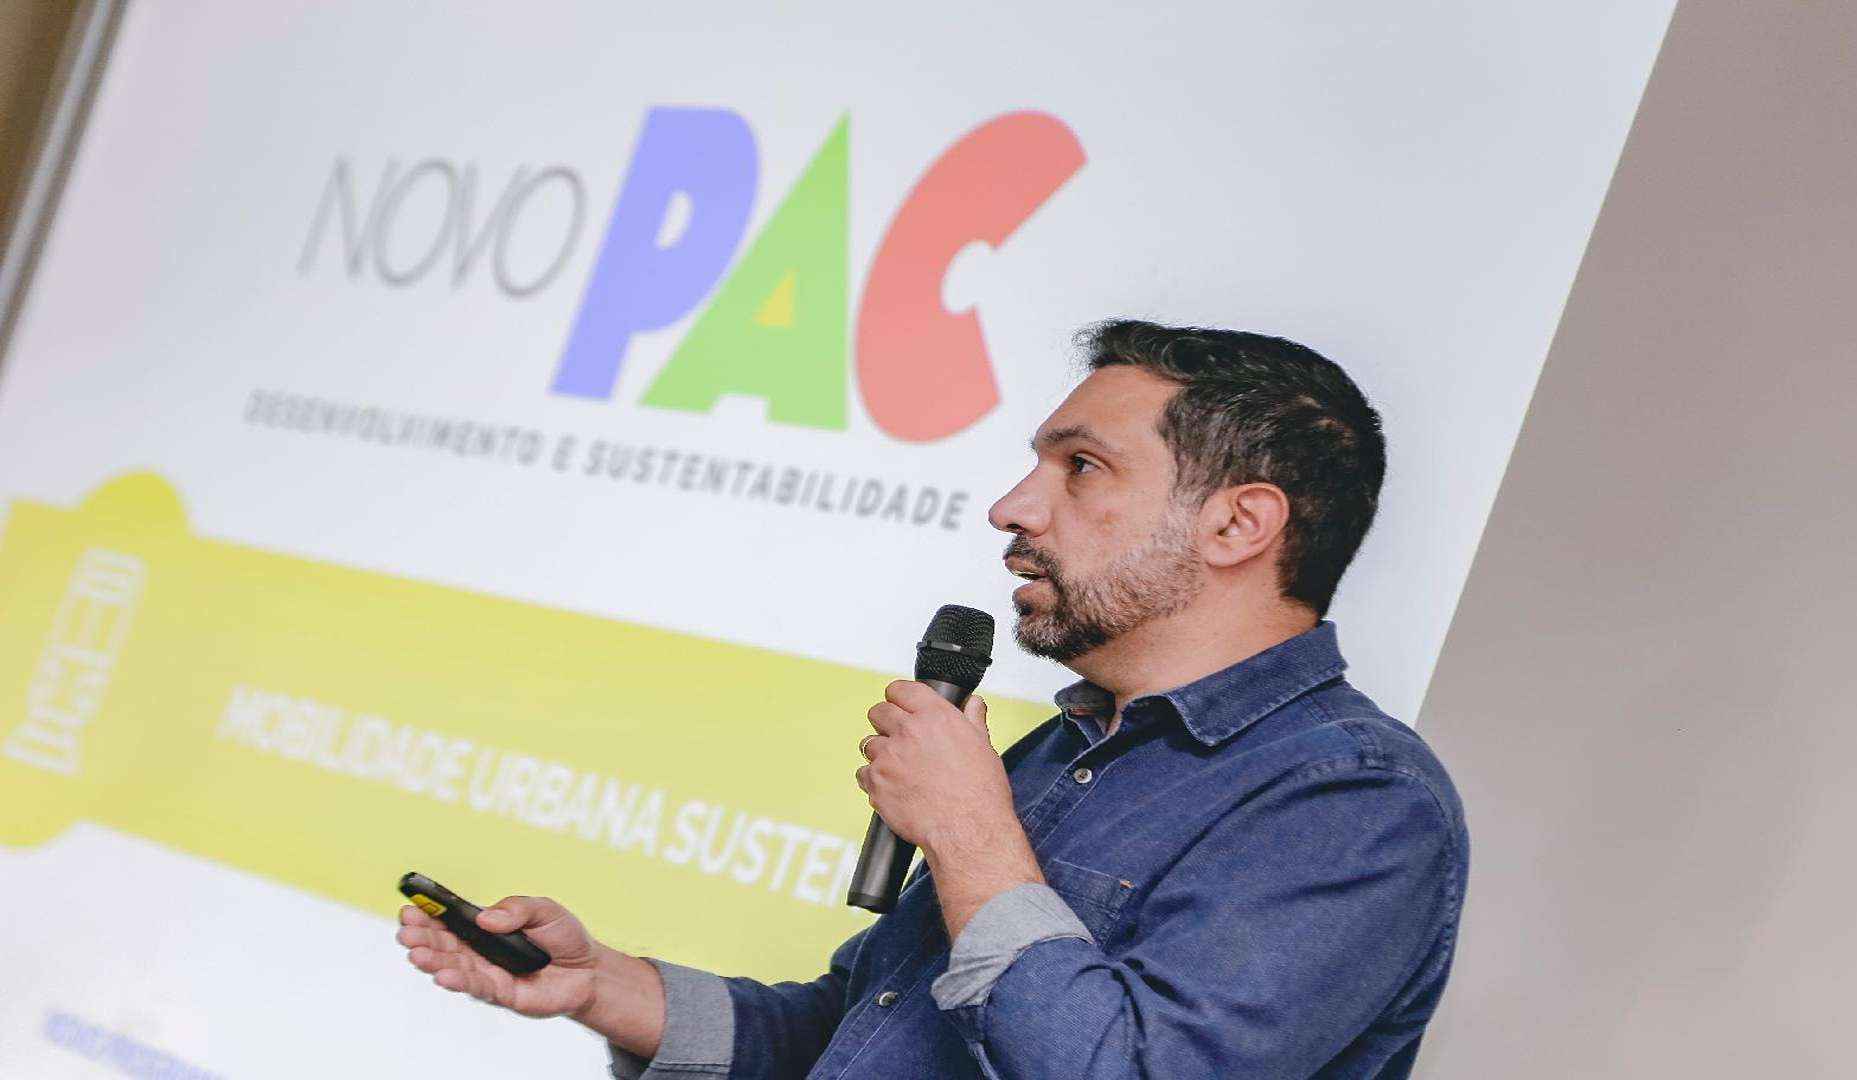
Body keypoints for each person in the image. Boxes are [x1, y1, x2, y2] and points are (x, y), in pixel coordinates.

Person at [396, 319, 1468, 1078]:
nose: (1012, 507)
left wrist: (965, 831)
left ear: (1238, 525)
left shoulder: (1355, 802)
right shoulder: (1067, 751)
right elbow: (858, 1034)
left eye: (1082, 467)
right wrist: (600, 986)